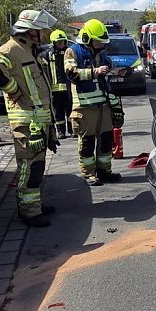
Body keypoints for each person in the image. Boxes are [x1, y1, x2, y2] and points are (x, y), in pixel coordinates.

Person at [0, 9, 58, 227]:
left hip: (38, 121)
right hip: (26, 124)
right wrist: (13, 89)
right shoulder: (11, 49)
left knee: (38, 166)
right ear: (29, 31)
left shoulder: (29, 50)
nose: (44, 34)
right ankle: (28, 212)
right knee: (29, 167)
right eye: (41, 30)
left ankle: (34, 205)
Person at [65, 19, 123, 187]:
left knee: (106, 140)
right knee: (87, 142)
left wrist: (112, 69)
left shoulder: (101, 51)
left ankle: (104, 170)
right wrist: (94, 72)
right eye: (97, 41)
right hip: (85, 106)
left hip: (103, 105)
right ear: (86, 38)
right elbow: (71, 74)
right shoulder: (72, 51)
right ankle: (88, 173)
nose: (100, 45)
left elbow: (107, 66)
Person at [40, 29, 72, 139]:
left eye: (62, 41)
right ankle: (61, 131)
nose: (61, 44)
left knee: (70, 109)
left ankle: (72, 130)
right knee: (58, 112)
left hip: (68, 87)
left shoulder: (69, 52)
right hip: (54, 89)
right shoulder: (46, 55)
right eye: (59, 42)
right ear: (53, 42)